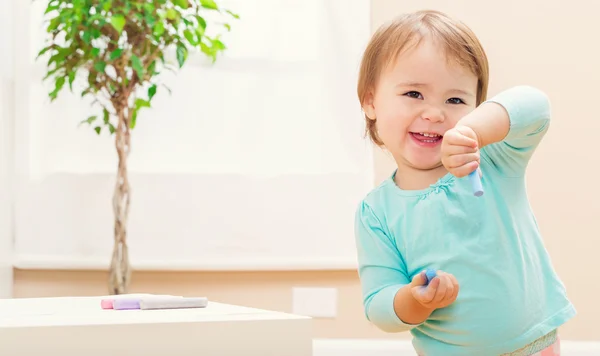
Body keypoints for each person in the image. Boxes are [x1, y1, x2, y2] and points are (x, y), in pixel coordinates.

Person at [354, 9, 576, 356]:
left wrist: (475, 130)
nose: (435, 113)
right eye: (413, 93)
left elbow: (535, 105)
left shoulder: (493, 159)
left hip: (533, 344)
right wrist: (414, 300)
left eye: (455, 99)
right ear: (370, 101)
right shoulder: (376, 212)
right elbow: (378, 303)